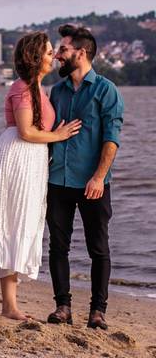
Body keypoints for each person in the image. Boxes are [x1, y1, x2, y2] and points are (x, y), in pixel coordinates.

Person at [0, 32, 81, 320]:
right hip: (15, 160)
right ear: (36, 57)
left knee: (17, 230)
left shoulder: (38, 89)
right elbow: (25, 131)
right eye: (48, 52)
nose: (53, 57)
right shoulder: (22, 88)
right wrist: (59, 135)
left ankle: (9, 306)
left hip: (31, 162)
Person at [46, 24, 124, 330]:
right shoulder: (57, 91)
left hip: (93, 183)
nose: (57, 55)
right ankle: (62, 307)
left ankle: (98, 311)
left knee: (98, 248)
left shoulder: (106, 90)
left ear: (81, 52)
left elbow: (111, 139)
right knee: (57, 247)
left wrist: (98, 177)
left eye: (63, 49)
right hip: (58, 180)